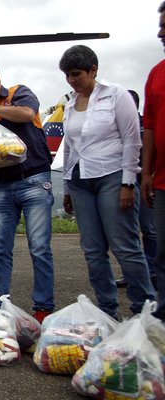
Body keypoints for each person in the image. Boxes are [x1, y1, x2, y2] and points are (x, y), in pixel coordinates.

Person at [59, 45, 155, 319]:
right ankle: (107, 312)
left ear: (93, 70)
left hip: (112, 177)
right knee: (92, 250)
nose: (72, 80)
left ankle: (143, 313)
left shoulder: (116, 95)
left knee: (125, 247)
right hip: (80, 182)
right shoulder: (68, 104)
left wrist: (127, 183)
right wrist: (67, 186)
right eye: (67, 75)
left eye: (76, 74)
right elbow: (70, 148)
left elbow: (132, 141)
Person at [0, 61, 55, 323]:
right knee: (0, 249)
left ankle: (43, 308)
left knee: (39, 248)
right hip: (1, 185)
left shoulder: (18, 93)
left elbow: (27, 114)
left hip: (35, 179)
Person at [115, 90, 158, 289]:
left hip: (145, 181)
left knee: (149, 230)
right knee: (128, 232)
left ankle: (154, 271)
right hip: (124, 180)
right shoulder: (115, 125)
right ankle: (134, 274)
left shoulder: (145, 125)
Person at [141, 1, 165, 322]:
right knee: (162, 253)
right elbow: (148, 125)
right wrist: (146, 172)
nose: (160, 32)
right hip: (161, 181)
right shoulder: (156, 73)